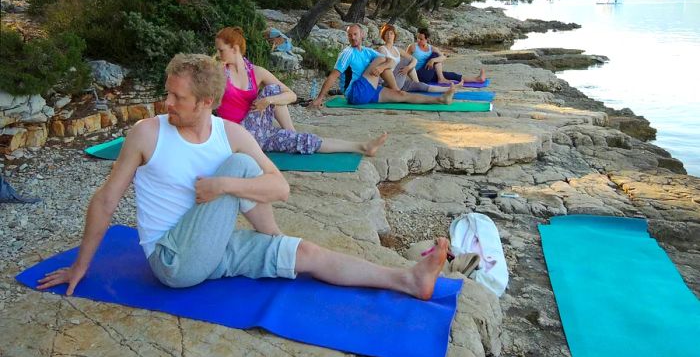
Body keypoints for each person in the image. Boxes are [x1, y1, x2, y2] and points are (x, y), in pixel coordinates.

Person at [37, 53, 449, 299]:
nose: (167, 103)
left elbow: (280, 188)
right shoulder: (147, 133)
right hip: (173, 259)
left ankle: (408, 280)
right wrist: (80, 266)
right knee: (240, 168)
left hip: (211, 243)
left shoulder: (229, 133)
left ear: (206, 102)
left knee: (303, 252)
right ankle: (271, 239)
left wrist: (222, 187)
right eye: (168, 92)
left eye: (176, 97)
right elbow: (106, 199)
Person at [215, 27, 387, 156]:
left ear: (235, 49)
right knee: (272, 91)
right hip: (236, 135)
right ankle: (292, 134)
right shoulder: (218, 72)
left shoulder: (256, 72)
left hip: (259, 133)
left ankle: (362, 147)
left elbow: (292, 95)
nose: (217, 54)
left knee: (304, 136)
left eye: (221, 50)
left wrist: (268, 101)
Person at [309, 24, 456, 109]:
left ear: (362, 35)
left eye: (355, 34)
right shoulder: (347, 53)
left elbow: (391, 62)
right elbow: (334, 75)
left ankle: (441, 99)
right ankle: (396, 88)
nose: (352, 38)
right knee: (380, 58)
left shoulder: (367, 51)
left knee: (402, 95)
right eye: (350, 35)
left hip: (370, 89)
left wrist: (382, 67)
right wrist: (320, 98)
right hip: (356, 92)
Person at [377, 24, 463, 94]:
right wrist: (408, 66)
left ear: (394, 36)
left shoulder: (397, 49)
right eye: (386, 33)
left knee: (421, 86)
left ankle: (449, 89)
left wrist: (408, 67)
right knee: (406, 60)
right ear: (383, 36)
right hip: (390, 83)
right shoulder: (382, 49)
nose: (389, 35)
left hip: (400, 81)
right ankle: (418, 82)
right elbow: (384, 68)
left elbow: (414, 60)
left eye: (391, 33)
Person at [407, 27, 485, 85]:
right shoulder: (413, 47)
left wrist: (432, 60)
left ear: (427, 39)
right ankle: (441, 79)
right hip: (418, 75)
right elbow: (404, 59)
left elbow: (443, 57)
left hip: (429, 73)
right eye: (418, 38)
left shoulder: (432, 48)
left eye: (421, 39)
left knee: (451, 75)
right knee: (435, 55)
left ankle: (477, 79)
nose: (418, 41)